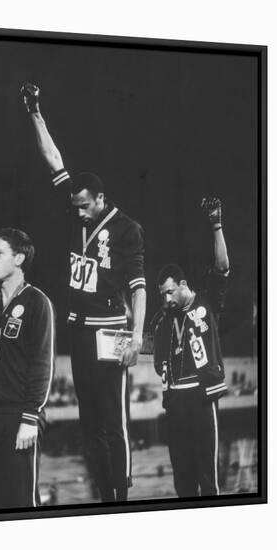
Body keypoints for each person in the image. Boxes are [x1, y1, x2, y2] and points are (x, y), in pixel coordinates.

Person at [21, 83, 146, 502]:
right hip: (78, 327)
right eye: (74, 205)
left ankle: (121, 495)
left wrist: (139, 337)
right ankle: (101, 494)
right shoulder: (76, 209)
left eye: (84, 206)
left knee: (115, 419)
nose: (77, 212)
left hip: (113, 330)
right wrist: (34, 112)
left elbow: (139, 288)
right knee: (89, 418)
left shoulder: (128, 230)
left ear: (101, 200)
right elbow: (53, 159)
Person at [0, 228, 55, 509]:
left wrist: (30, 417)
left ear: (19, 258)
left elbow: (43, 365)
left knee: (22, 504)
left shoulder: (37, 302)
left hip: (20, 418)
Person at [154, 198, 229, 497]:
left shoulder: (207, 302)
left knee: (207, 480)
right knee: (182, 483)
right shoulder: (163, 319)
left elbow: (222, 267)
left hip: (201, 397)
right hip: (174, 403)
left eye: (170, 292)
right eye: (163, 294)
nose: (167, 299)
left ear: (183, 284)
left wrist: (216, 225)